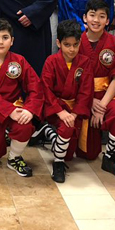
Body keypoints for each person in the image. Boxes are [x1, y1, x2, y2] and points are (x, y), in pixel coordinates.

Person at [0, 18, 44, 176]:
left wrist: (29, 110)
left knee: (25, 125)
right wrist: (8, 110)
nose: (0, 42)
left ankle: (14, 157)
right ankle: (2, 136)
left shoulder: (19, 61)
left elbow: (35, 86)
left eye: (5, 38)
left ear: (11, 41)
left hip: (15, 108)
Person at [77, 0, 115, 177]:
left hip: (106, 94)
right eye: (92, 15)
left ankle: (110, 156)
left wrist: (101, 105)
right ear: (84, 18)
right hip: (81, 95)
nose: (96, 20)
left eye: (102, 16)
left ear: (108, 21)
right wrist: (89, 100)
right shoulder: (75, 42)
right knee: (87, 154)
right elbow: (70, 77)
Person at [40, 20, 93, 183]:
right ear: (58, 43)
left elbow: (86, 91)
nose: (72, 49)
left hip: (75, 109)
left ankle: (47, 132)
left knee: (70, 154)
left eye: (75, 45)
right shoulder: (51, 61)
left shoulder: (85, 63)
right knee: (66, 134)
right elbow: (46, 89)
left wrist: (75, 113)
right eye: (67, 44)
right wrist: (60, 111)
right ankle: (58, 163)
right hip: (55, 108)